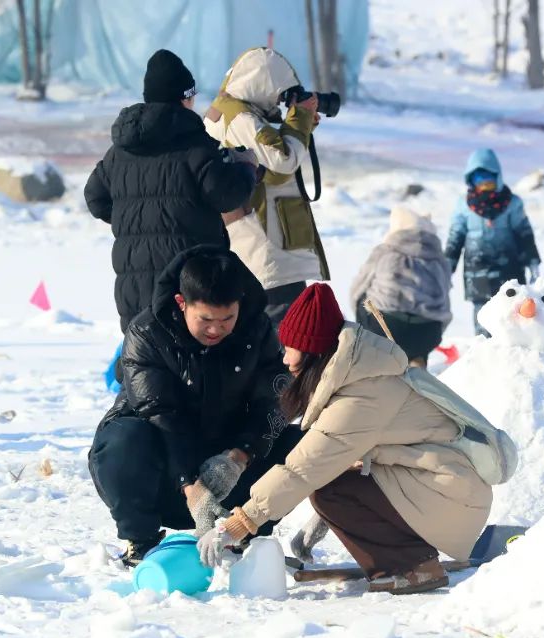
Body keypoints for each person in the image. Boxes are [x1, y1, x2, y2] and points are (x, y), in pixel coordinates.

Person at [197, 283, 517, 594]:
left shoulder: (365, 395)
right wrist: (321, 518)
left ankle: (412, 567)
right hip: (441, 487)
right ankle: (409, 559)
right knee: (331, 484)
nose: (284, 358)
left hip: (450, 496)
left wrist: (238, 523)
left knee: (326, 488)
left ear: (313, 352)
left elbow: (304, 468)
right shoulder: (362, 377)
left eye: (290, 348)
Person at [88, 247, 299, 565]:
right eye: (205, 320)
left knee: (298, 444)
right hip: (161, 469)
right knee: (123, 438)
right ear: (181, 303)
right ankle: (141, 541)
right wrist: (192, 486)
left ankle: (244, 532)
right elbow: (162, 416)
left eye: (227, 318)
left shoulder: (258, 331)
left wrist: (239, 456)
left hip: (226, 464)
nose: (216, 329)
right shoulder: (146, 333)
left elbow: (272, 403)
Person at [84, 48, 257, 333]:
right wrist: (247, 169)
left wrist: (135, 219)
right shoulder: (195, 146)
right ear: (184, 98)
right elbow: (226, 195)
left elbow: (95, 198)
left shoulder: (120, 151)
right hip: (188, 284)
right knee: (187, 370)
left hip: (134, 286)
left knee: (142, 365)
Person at [204, 47, 330, 325]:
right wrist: (298, 120)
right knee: (286, 340)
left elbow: (266, 161)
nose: (280, 100)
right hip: (267, 251)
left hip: (261, 249)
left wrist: (300, 124)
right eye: (279, 92)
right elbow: (283, 159)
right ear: (263, 85)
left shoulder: (229, 112)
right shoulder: (241, 119)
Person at [445, 148, 541, 337]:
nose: (483, 184)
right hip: (477, 270)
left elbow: (524, 234)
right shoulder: (463, 205)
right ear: (470, 180)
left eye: (488, 179)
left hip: (509, 269)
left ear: (497, 177)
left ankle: (513, 350)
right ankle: (484, 351)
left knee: (512, 313)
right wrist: (447, 266)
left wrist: (532, 262)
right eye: (478, 179)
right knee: (482, 315)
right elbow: (456, 236)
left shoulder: (512, 203)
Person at [350, 206, 452, 367]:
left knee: (365, 299)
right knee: (425, 323)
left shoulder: (384, 251)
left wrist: (362, 324)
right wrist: (432, 336)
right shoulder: (440, 261)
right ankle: (418, 362)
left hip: (386, 327)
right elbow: (445, 306)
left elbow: (357, 290)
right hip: (427, 333)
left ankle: (375, 361)